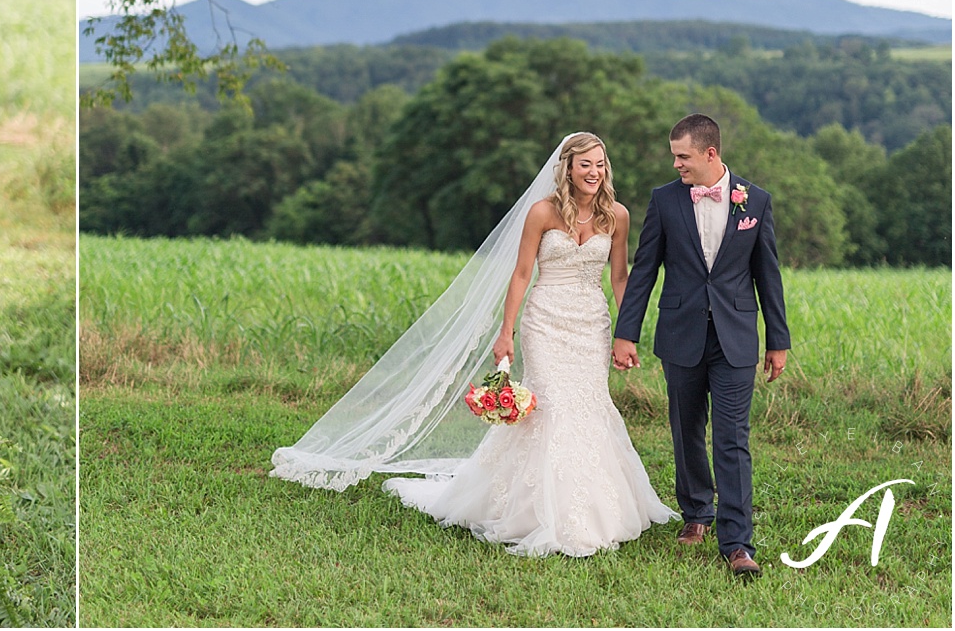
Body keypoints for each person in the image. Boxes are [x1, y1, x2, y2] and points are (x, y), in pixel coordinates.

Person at [271, 132, 676, 557]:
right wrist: (507, 331)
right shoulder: (542, 212)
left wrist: (625, 332)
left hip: (590, 323)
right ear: (568, 169)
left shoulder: (618, 215)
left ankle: (595, 508)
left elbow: (619, 278)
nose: (594, 172)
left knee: (589, 404)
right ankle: (538, 512)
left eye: (600, 164)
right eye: (585, 165)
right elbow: (521, 274)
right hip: (545, 322)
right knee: (551, 404)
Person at [612, 113, 790, 580]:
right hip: (680, 335)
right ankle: (696, 513)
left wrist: (778, 341)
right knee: (686, 428)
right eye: (674, 156)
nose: (676, 164)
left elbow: (767, 276)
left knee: (732, 438)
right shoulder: (664, 201)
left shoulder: (756, 201)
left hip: (736, 339)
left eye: (682, 156)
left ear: (710, 153)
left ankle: (737, 543)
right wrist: (626, 332)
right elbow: (645, 270)